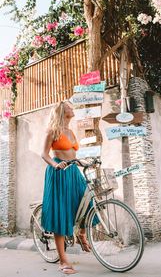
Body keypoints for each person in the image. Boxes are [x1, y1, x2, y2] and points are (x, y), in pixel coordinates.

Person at [41, 100, 91, 275]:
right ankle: (63, 260)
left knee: (87, 202)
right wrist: (55, 165)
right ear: (62, 111)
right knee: (61, 214)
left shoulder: (70, 131)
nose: (72, 108)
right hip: (59, 172)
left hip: (73, 171)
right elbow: (44, 154)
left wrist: (84, 162)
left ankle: (82, 234)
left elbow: (72, 152)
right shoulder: (53, 131)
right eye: (69, 107)